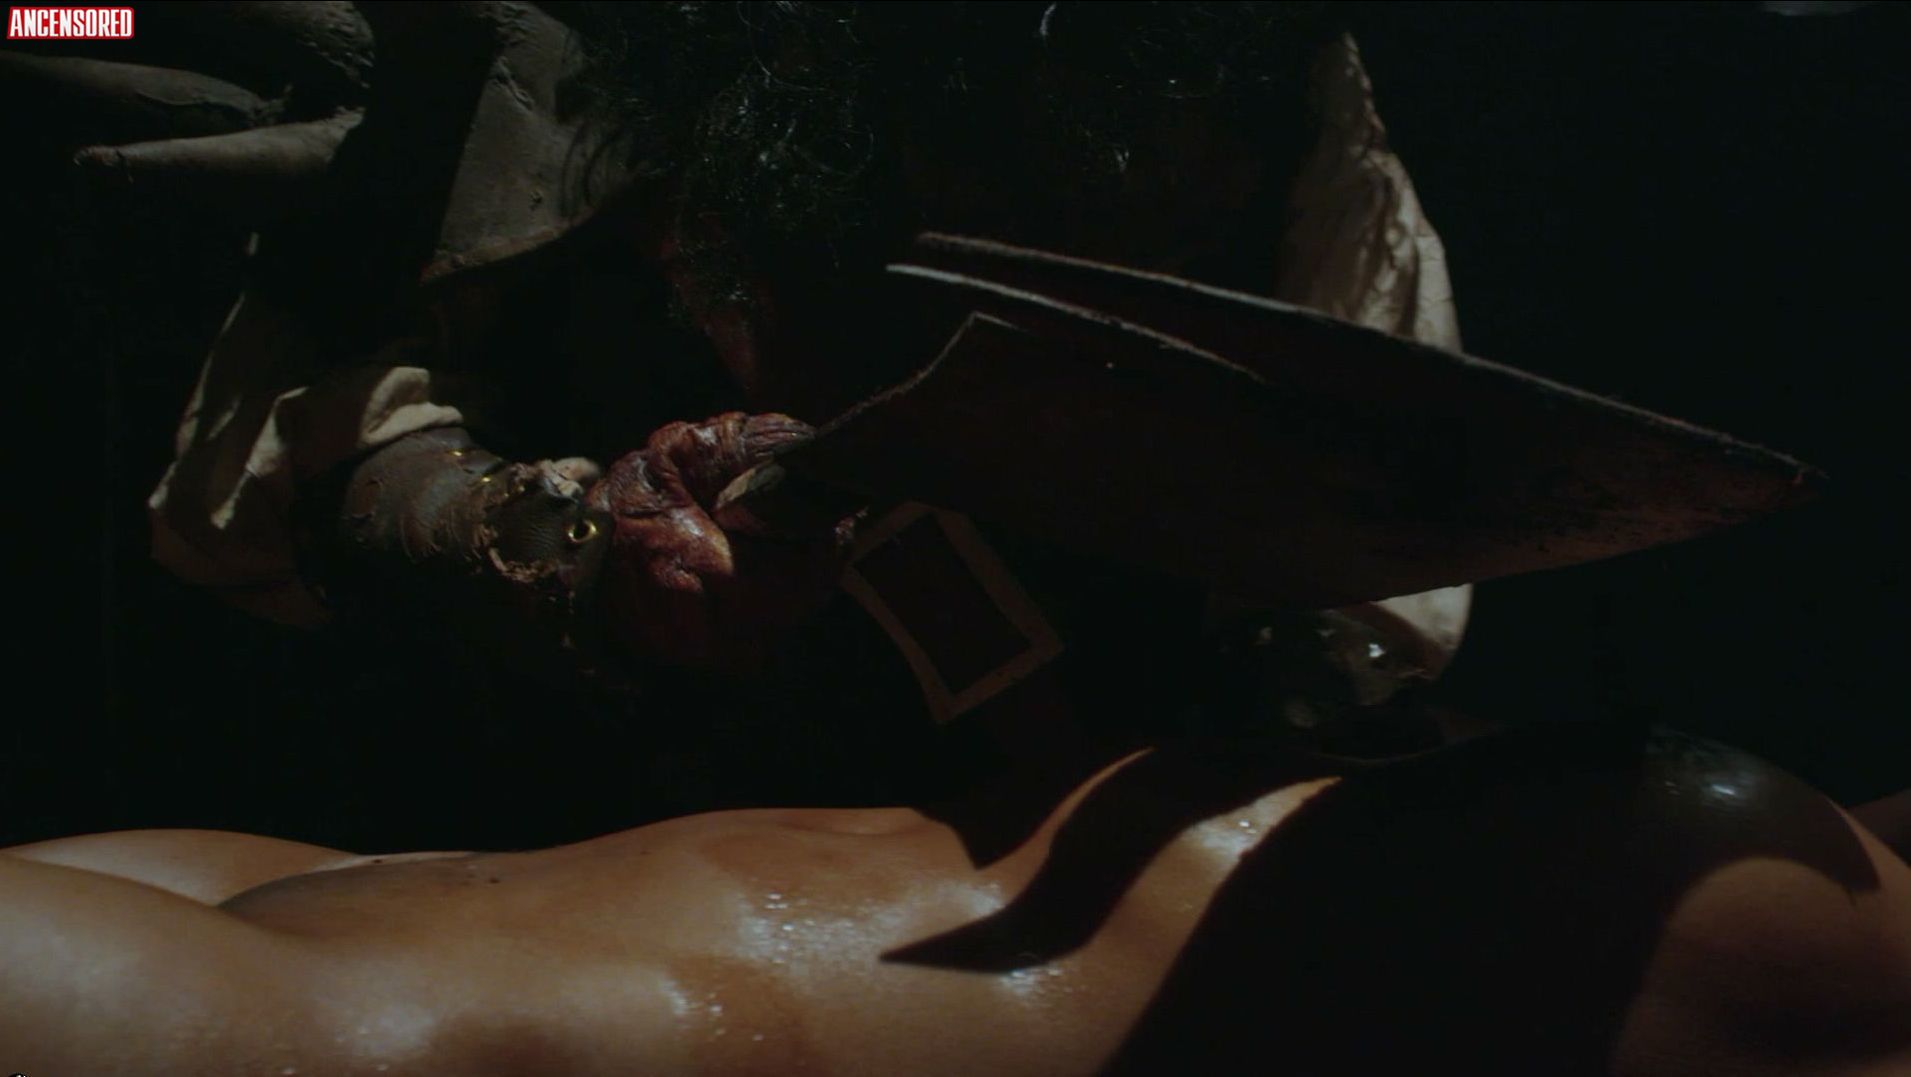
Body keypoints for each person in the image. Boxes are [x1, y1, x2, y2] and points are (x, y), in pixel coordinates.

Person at [4, 4, 1905, 1073]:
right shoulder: (581, 69)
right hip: (581, 797)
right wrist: (577, 539)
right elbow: (310, 458)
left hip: (1087, 827)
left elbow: (1353, 541)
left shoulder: (1268, 85)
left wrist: (1270, 676)